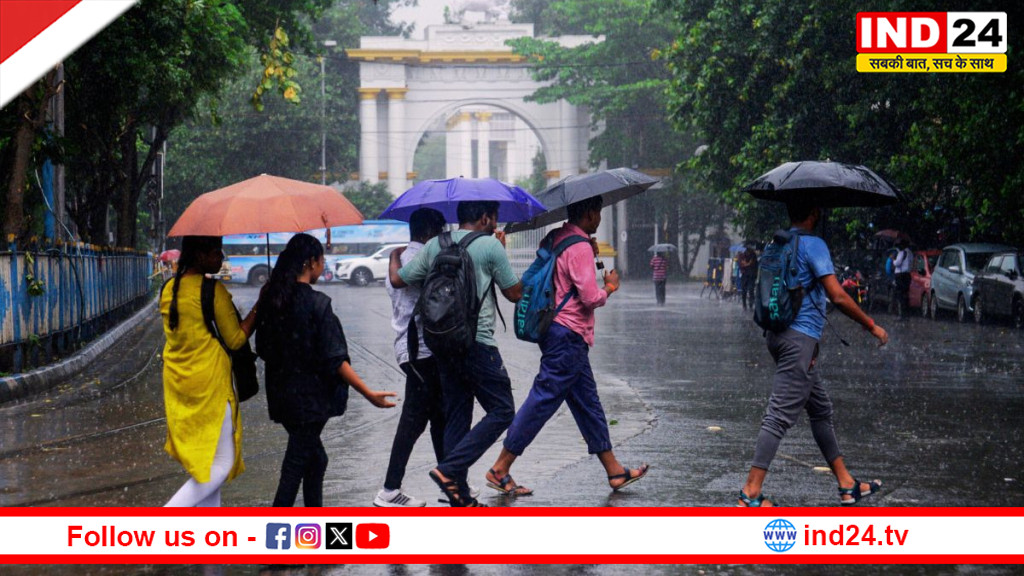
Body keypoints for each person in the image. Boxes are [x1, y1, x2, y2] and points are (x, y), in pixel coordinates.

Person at [485, 196, 648, 496]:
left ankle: (614, 470)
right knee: (542, 399)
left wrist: (587, 251)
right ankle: (500, 467)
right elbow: (590, 297)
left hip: (556, 331)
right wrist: (610, 286)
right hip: (568, 334)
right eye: (598, 212)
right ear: (590, 213)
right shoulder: (580, 246)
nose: (600, 218)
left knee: (588, 403)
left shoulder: (557, 237)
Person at [738, 202, 889, 507]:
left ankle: (847, 484)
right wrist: (871, 325)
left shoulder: (779, 243)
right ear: (813, 214)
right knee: (778, 416)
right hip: (800, 341)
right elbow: (838, 295)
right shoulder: (813, 245)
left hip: (777, 335)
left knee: (820, 409)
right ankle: (750, 492)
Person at [389, 200, 522, 507]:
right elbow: (514, 293)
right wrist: (500, 254)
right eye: (494, 218)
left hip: (443, 344)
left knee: (458, 415)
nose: (496, 224)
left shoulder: (435, 245)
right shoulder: (490, 246)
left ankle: (459, 495)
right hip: (478, 342)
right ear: (485, 217)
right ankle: (449, 470)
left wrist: (395, 255)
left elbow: (400, 279)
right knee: (503, 410)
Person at [256, 233, 396, 507]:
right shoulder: (317, 303)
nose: (323, 265)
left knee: (316, 459)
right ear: (311, 262)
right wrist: (368, 393)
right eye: (322, 259)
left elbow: (263, 348)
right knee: (294, 466)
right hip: (311, 403)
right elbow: (336, 359)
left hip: (282, 398)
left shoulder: (274, 300)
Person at [161, 236, 257, 507]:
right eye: (216, 252)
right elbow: (236, 340)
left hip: (180, 385)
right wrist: (258, 308)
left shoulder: (168, 289)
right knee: (222, 464)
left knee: (207, 462)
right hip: (211, 387)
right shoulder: (212, 291)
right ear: (200, 255)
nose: (221, 258)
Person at [374, 208, 448, 508]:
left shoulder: (400, 257)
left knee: (438, 417)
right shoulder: (425, 259)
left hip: (409, 350)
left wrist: (395, 253)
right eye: (441, 231)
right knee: (414, 420)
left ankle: (449, 483)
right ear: (431, 232)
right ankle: (390, 490)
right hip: (423, 351)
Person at [893, 239, 913, 319]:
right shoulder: (910, 253)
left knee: (900, 295)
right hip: (907, 275)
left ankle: (902, 314)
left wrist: (893, 259)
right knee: (905, 294)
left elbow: (897, 263)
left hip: (900, 275)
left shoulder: (902, 252)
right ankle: (906, 314)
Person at [738, 244, 759, 310]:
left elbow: (755, 265)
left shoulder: (753, 255)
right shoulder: (742, 255)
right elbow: (741, 264)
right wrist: (747, 264)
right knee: (744, 290)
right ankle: (744, 304)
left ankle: (750, 304)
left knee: (751, 290)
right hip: (745, 275)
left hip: (751, 275)